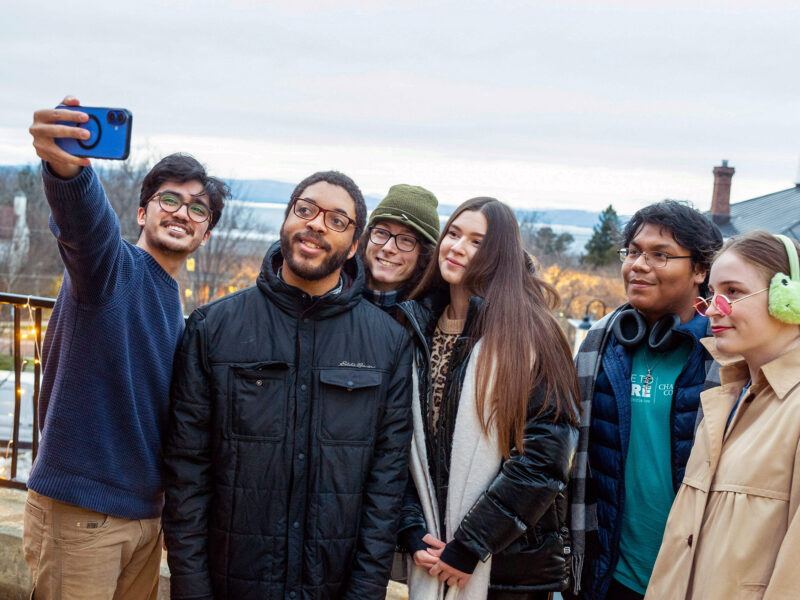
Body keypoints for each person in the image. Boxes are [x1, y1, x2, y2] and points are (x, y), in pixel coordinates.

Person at [163, 170, 414, 599]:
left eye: (337, 220)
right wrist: (192, 589)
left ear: (354, 245)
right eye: (306, 210)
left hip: (333, 587)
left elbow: (385, 486)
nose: (317, 224)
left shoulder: (388, 343)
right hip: (231, 585)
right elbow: (187, 474)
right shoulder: (212, 328)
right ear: (286, 219)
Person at [22, 97, 228, 599]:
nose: (182, 213)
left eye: (198, 209)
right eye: (169, 199)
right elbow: (85, 224)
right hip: (82, 515)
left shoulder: (176, 307)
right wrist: (67, 169)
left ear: (205, 234)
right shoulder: (110, 270)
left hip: (144, 521)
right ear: (143, 211)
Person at [396, 196, 580, 600]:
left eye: (476, 242)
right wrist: (411, 530)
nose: (457, 247)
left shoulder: (533, 334)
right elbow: (399, 446)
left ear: (500, 255)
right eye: (453, 234)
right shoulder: (415, 327)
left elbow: (544, 458)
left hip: (507, 564)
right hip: (429, 550)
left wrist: (470, 545)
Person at [568, 200, 723, 600]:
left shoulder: (726, 353)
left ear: (700, 270)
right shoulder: (600, 341)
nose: (638, 265)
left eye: (660, 255)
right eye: (634, 252)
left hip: (693, 577)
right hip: (607, 575)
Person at [645, 231, 800, 599]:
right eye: (712, 294)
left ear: (788, 297)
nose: (714, 309)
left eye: (732, 292)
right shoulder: (724, 398)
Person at [359, 183, 440, 309]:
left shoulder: (432, 314)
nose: (388, 248)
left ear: (424, 255)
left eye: (406, 240)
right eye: (381, 232)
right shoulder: (332, 290)